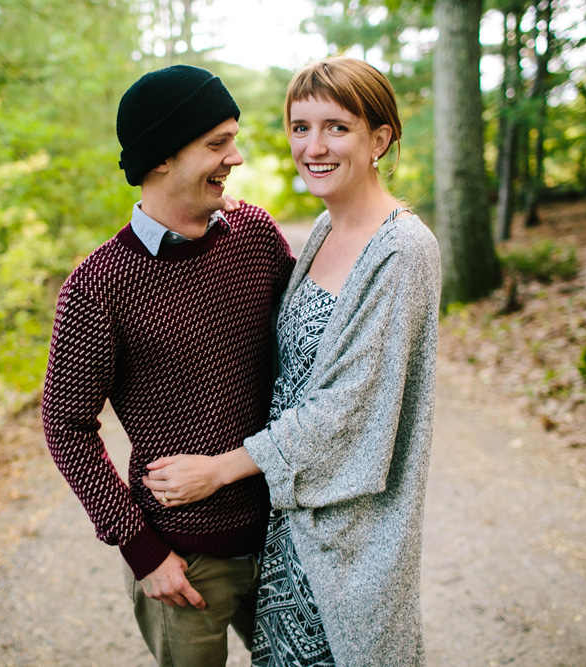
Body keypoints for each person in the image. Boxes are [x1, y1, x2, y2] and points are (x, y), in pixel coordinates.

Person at [142, 57, 441, 667]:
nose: (314, 146)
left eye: (337, 127)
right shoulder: (322, 236)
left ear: (380, 139)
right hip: (290, 532)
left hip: (352, 540)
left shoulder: (403, 250)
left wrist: (221, 470)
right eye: (300, 127)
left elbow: (348, 409)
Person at [41, 64, 294, 667]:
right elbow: (65, 424)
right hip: (186, 564)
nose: (236, 157)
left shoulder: (257, 235)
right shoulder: (100, 284)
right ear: (160, 157)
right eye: (217, 143)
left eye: (234, 138)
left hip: (289, 538)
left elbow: (310, 346)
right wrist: (140, 549)